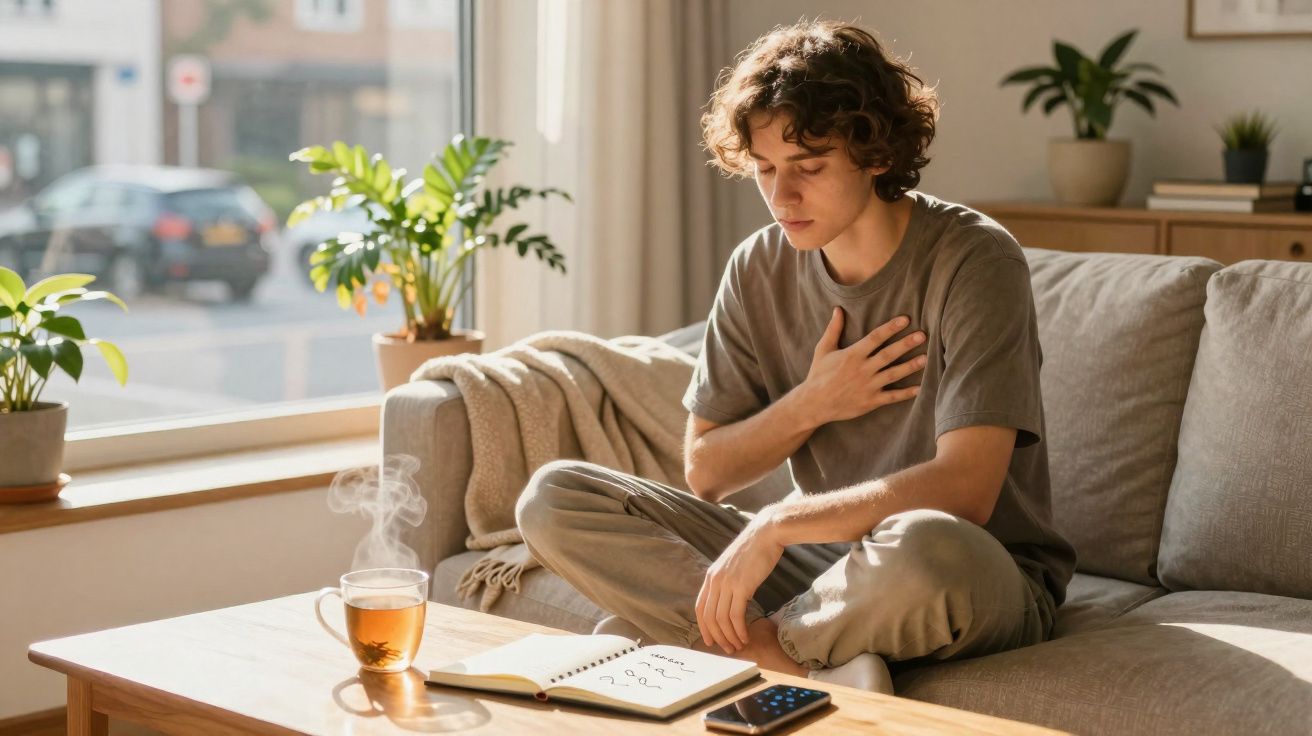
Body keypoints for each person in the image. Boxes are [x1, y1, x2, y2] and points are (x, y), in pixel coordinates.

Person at [515, 19, 1075, 693]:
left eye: (808, 167)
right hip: (819, 565)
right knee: (553, 497)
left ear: (876, 154)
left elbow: (967, 490)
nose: (781, 197)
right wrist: (813, 403)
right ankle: (798, 655)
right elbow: (706, 471)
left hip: (968, 567)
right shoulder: (756, 267)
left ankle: (713, 643)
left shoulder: (976, 260)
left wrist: (778, 522)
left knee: (927, 543)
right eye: (765, 169)